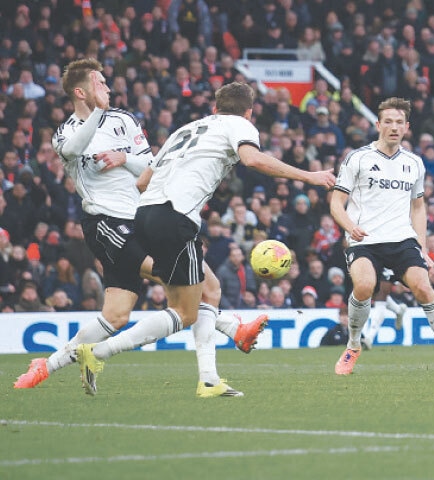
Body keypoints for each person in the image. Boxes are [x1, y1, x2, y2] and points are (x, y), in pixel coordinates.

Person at [13, 60, 268, 397]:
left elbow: (151, 165)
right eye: (100, 83)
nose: (107, 87)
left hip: (141, 217)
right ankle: (230, 334)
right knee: (190, 284)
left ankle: (47, 364)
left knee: (116, 316)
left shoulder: (124, 120)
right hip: (105, 222)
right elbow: (74, 150)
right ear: (80, 92)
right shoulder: (67, 132)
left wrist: (123, 157)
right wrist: (97, 115)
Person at [73, 81, 335, 394]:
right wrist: (310, 176)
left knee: (210, 290)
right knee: (185, 312)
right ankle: (99, 352)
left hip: (144, 214)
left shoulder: (185, 129)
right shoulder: (240, 124)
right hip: (175, 215)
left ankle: (209, 378)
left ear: (214, 107)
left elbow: (143, 181)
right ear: (249, 112)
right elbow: (253, 160)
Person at [329, 96, 434, 375]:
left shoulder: (414, 163)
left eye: (399, 123)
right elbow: (336, 203)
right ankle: (353, 346)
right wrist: (349, 226)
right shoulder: (358, 159)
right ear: (378, 124)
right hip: (365, 238)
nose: (393, 127)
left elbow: (418, 207)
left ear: (406, 127)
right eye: (388, 122)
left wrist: (422, 247)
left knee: (423, 287)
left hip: (401, 238)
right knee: (364, 285)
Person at [362, 269, 408, 350]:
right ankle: (398, 310)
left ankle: (369, 338)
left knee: (381, 295)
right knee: (375, 293)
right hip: (371, 261)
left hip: (386, 263)